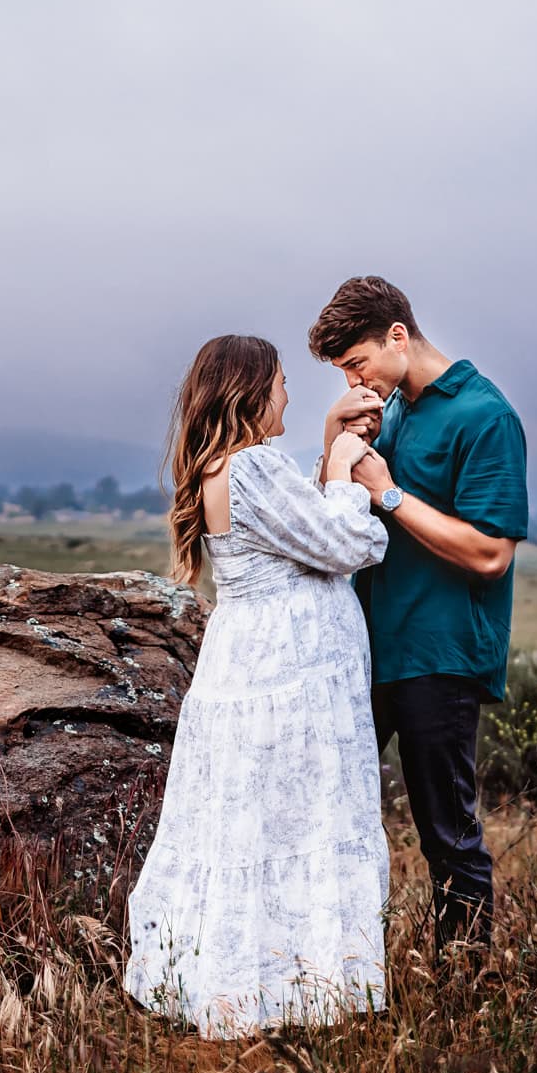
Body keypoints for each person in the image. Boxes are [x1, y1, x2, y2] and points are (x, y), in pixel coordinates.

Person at [123, 334, 392, 1037]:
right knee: (296, 822)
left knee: (251, 826)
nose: (289, 396)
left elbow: (293, 532)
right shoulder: (252, 468)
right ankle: (295, 989)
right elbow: (347, 544)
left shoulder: (227, 469)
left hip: (251, 666)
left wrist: (331, 444)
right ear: (250, 391)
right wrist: (342, 471)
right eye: (279, 383)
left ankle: (253, 980)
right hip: (289, 675)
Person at [308, 276, 528, 957]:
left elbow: (491, 553)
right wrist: (335, 438)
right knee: (328, 810)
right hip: (368, 646)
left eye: (357, 364)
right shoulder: (391, 408)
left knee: (445, 831)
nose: (354, 380)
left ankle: (462, 984)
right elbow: (330, 519)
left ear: (397, 336)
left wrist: (389, 492)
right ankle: (325, 971)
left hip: (442, 652)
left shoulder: (486, 416)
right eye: (344, 371)